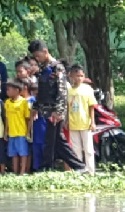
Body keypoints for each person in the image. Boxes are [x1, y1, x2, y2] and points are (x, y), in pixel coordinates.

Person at [27, 40, 86, 172]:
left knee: (55, 140)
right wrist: (36, 107)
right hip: (45, 109)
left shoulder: (57, 67)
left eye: (38, 56)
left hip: (55, 110)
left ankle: (77, 166)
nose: (37, 59)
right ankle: (50, 167)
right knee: (53, 140)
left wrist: (58, 112)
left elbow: (62, 91)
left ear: (45, 51)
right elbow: (42, 91)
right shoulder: (43, 69)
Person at [67, 65, 97, 174]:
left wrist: (93, 122)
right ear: (71, 76)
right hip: (73, 122)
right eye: (77, 76)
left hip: (85, 122)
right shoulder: (69, 91)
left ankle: (90, 171)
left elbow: (91, 106)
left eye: (81, 75)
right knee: (76, 149)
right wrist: (67, 121)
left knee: (88, 149)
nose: (79, 78)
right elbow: (67, 107)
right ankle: (79, 170)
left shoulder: (87, 89)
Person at [3, 80, 30, 174]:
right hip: (11, 133)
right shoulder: (7, 103)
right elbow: (7, 119)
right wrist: (6, 132)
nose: (7, 91)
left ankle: (22, 173)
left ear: (17, 90)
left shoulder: (23, 102)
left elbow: (27, 118)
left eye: (9, 89)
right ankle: (15, 172)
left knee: (23, 153)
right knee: (13, 154)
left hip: (21, 132)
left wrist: (28, 132)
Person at [25, 79, 46, 171]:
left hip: (44, 127)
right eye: (33, 91)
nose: (35, 93)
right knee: (36, 148)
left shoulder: (45, 102)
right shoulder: (32, 101)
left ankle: (45, 167)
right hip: (36, 128)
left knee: (43, 147)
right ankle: (36, 168)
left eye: (36, 91)